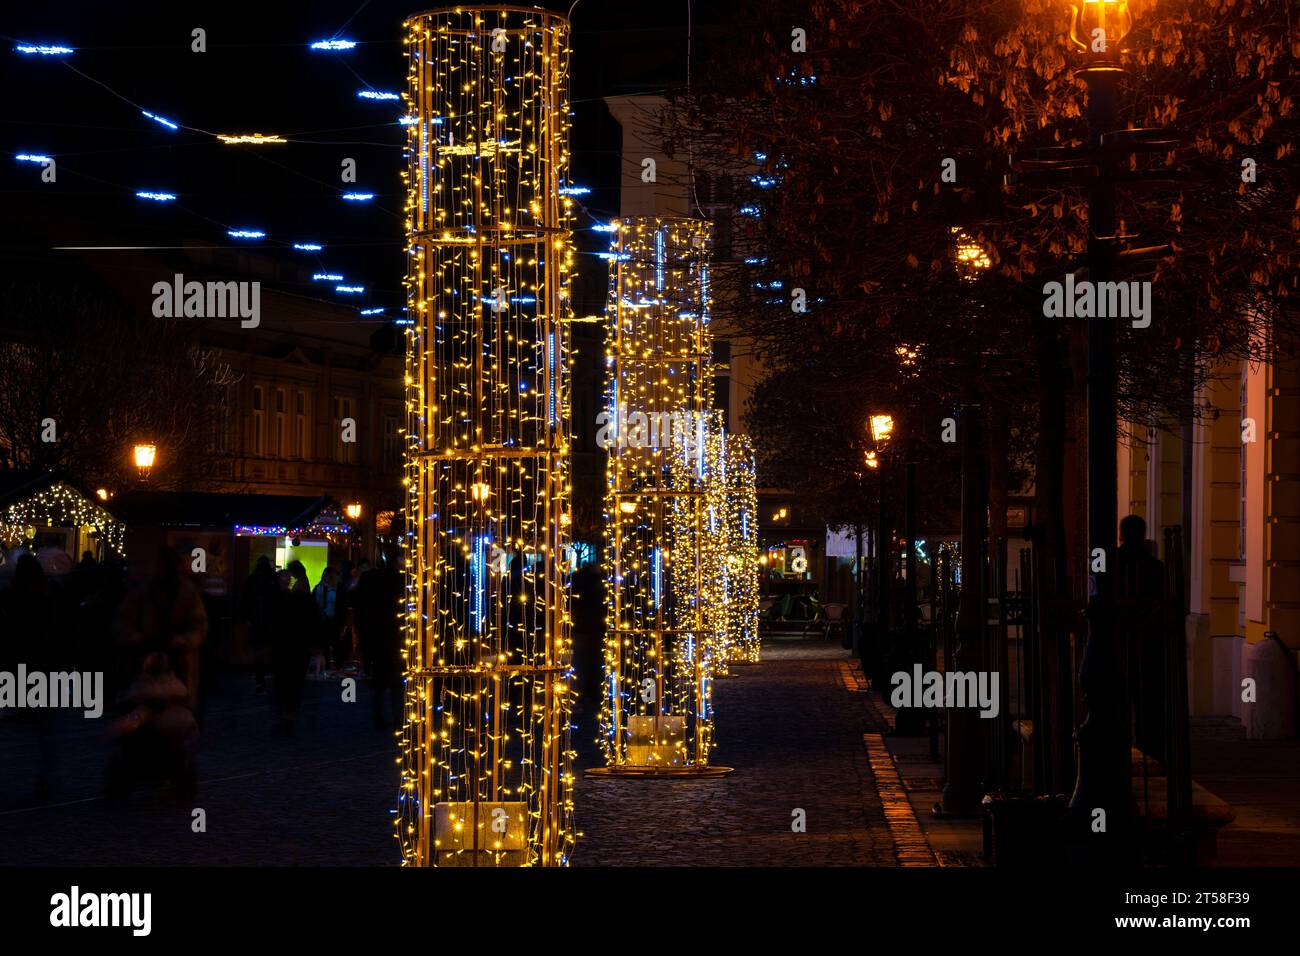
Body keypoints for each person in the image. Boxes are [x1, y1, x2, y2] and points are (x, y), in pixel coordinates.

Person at [353, 553, 403, 730]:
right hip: (394, 637)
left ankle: (379, 716)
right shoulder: (399, 580)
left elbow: (358, 607)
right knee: (397, 681)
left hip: (374, 637)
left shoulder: (368, 579)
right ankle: (398, 717)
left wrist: (362, 635)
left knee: (379, 681)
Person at [270, 560, 319, 734]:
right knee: (293, 683)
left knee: (286, 682)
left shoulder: (285, 599)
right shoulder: (303, 598)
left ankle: (285, 715)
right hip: (296, 647)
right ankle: (288, 715)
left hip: (288, 646)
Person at [243, 556, 278, 694]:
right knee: (270, 649)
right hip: (269, 621)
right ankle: (271, 677)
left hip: (256, 621)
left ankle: (259, 679)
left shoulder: (252, 579)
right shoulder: (272, 579)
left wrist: (247, 618)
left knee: (258, 650)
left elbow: (245, 600)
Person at [313, 566, 341, 668]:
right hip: (322, 620)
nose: (325, 578)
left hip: (332, 620)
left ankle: (336, 665)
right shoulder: (318, 588)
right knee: (325, 644)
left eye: (327, 576)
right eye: (324, 575)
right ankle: (328, 665)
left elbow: (340, 605)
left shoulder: (337, 588)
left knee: (335, 643)